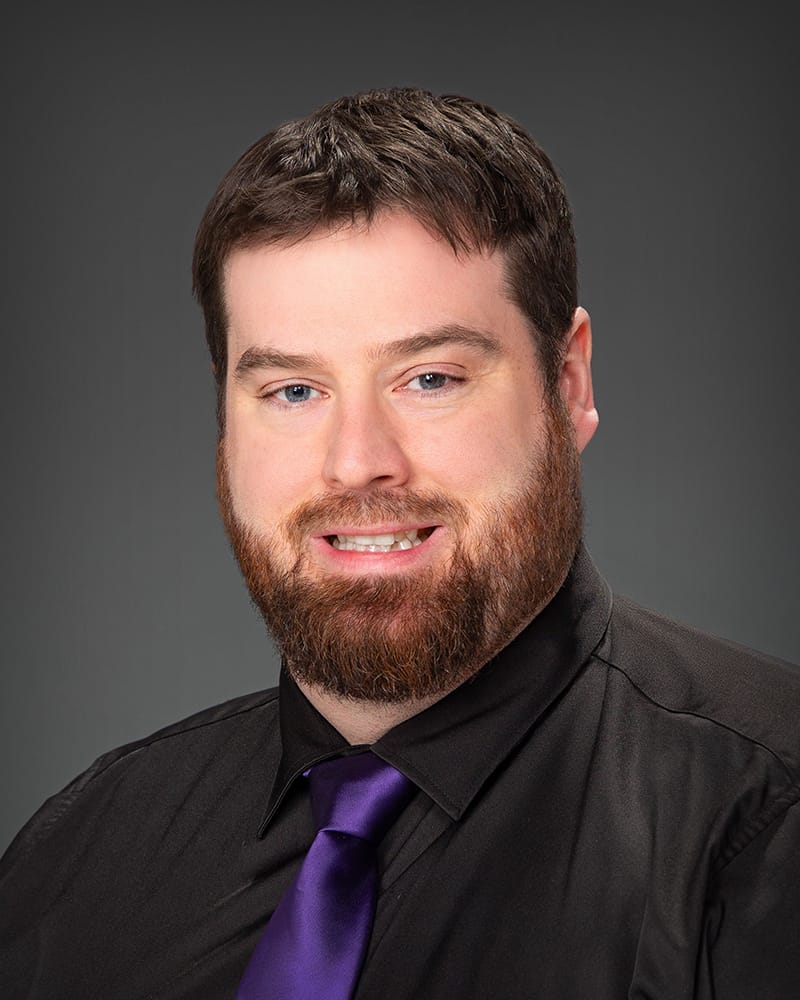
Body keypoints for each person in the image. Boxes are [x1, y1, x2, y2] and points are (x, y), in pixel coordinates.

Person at [1, 88, 798, 1000]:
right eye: (293, 391)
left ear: (569, 384)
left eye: (429, 378)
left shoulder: (766, 828)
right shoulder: (81, 859)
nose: (356, 464)